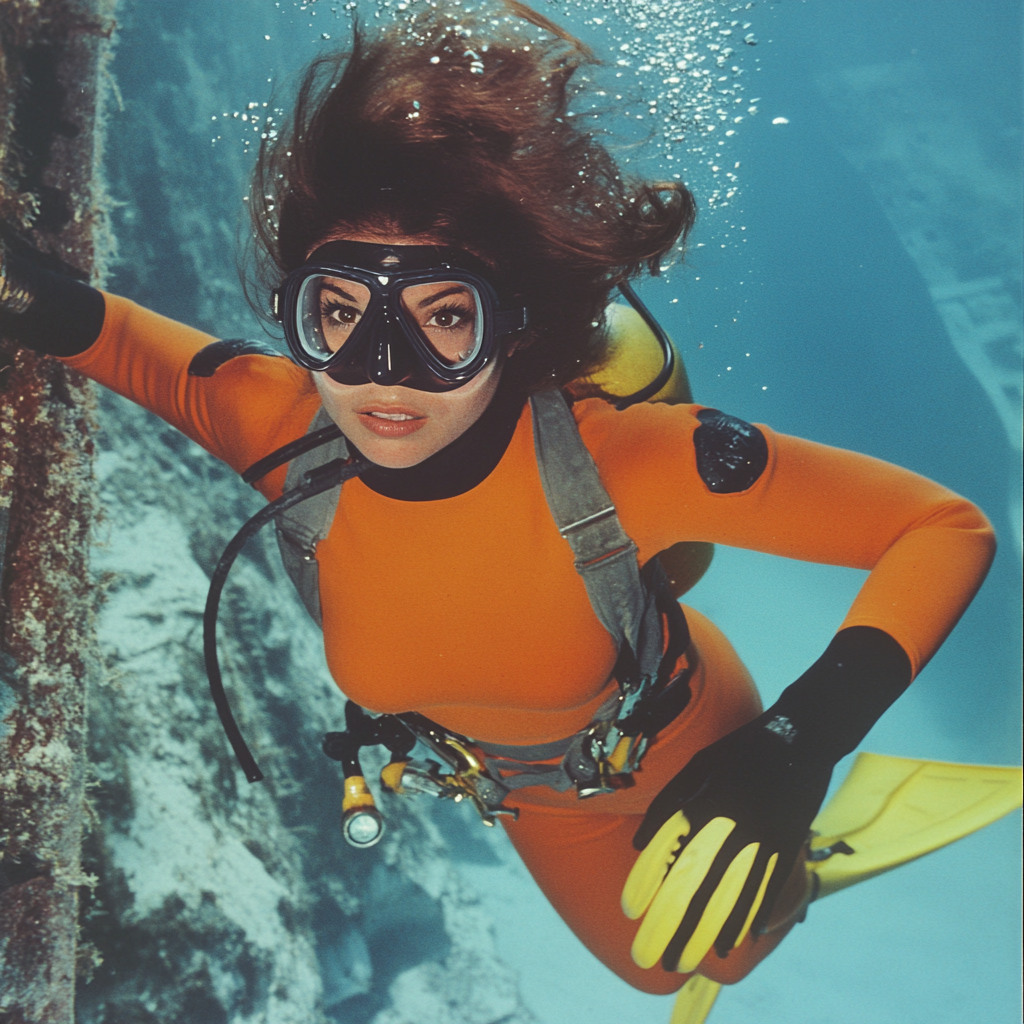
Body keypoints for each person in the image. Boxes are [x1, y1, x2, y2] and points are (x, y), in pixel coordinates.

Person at [0, 0, 999, 1009]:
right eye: (338, 312)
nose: (382, 375)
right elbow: (109, 334)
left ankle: (810, 852)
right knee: (659, 974)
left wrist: (798, 747)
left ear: (515, 330)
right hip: (519, 788)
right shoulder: (279, 425)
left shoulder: (619, 456)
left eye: (443, 317)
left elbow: (940, 525)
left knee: (731, 951)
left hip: (683, 732)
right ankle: (795, 875)